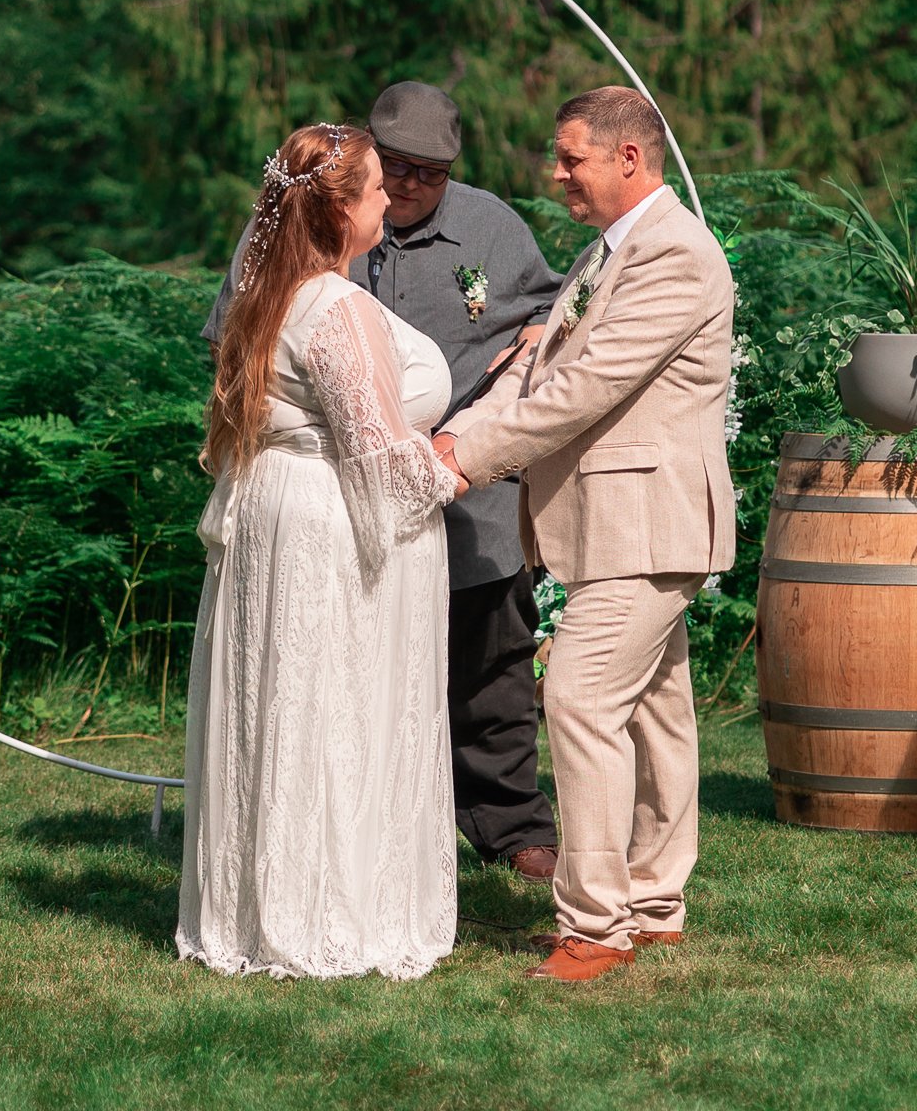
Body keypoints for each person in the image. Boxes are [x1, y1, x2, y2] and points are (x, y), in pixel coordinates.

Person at [204, 82, 562, 880]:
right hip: (337, 497)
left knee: (493, 668)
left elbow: (551, 313)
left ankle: (510, 823)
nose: (406, 186)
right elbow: (235, 340)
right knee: (350, 674)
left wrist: (517, 381)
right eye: (392, 168)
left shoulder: (492, 227)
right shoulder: (294, 229)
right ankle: (362, 826)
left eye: (429, 174)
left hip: (470, 490)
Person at [437, 85, 736, 985]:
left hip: (648, 523)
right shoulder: (610, 249)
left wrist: (464, 461)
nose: (557, 174)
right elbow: (533, 364)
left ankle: (596, 927)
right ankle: (653, 904)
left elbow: (584, 389)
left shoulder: (674, 253)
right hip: (622, 524)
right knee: (657, 712)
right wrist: (455, 431)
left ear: (628, 158)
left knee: (577, 697)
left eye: (572, 159)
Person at [178, 123, 459, 981]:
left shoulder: (265, 290)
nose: (387, 200)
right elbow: (375, 452)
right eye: (374, 190)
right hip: (323, 522)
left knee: (280, 700)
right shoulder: (335, 306)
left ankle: (257, 905)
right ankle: (328, 912)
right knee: (331, 702)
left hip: (272, 508)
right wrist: (454, 469)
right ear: (339, 211)